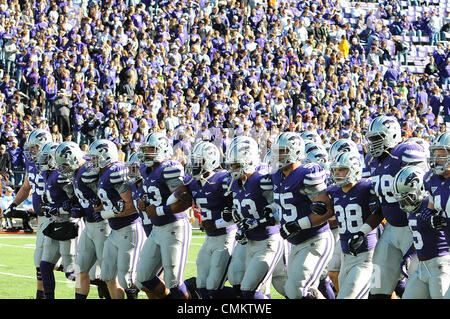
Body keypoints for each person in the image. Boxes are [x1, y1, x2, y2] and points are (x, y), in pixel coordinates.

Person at [364, 115, 427, 299]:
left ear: (391, 135)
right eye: (372, 139)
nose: (373, 143)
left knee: (418, 290)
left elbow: (422, 193)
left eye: (378, 138)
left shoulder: (406, 152)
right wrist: (363, 230)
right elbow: (380, 204)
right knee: (376, 288)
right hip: (390, 231)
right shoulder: (371, 161)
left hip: (413, 228)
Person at [306, 152, 384, 298]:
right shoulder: (334, 191)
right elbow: (320, 200)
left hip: (367, 255)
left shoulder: (368, 187)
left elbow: (379, 213)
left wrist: (362, 232)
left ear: (354, 169)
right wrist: (316, 205)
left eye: (342, 169)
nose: (337, 173)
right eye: (335, 170)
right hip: (346, 256)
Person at [270, 132, 334, 299]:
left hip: (316, 240)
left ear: (296, 152)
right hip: (296, 243)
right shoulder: (278, 176)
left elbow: (327, 210)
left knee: (297, 289)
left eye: (282, 151)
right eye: (276, 151)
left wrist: (298, 225)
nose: (277, 155)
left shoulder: (306, 173)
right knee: (299, 292)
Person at [135, 132, 194, 299]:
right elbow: (156, 196)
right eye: (145, 149)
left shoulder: (170, 168)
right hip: (157, 228)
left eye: (151, 149)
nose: (146, 153)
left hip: (174, 227)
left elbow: (185, 200)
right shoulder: (146, 170)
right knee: (143, 278)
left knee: (174, 281)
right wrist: (144, 203)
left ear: (162, 150)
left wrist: (159, 210)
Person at [84, 139, 145, 299]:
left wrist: (106, 214)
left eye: (95, 158)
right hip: (116, 231)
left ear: (106, 156)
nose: (92, 162)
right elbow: (111, 203)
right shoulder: (103, 173)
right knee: (107, 275)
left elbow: (132, 206)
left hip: (129, 229)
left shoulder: (116, 171)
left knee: (128, 279)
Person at [224, 136, 284, 299]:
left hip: (268, 240)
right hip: (248, 241)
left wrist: (260, 221)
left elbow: (280, 210)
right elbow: (242, 213)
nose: (232, 169)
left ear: (249, 161)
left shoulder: (262, 180)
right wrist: (235, 218)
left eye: (236, 165)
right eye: (231, 165)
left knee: (251, 289)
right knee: (240, 282)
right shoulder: (235, 183)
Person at [54, 141, 111, 299]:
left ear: (73, 158)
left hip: (102, 225)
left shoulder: (87, 171)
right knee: (81, 270)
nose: (62, 168)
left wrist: (84, 208)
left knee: (108, 274)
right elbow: (85, 199)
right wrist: (74, 203)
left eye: (64, 164)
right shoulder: (77, 174)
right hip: (90, 226)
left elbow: (102, 197)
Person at [2, 128, 52, 298]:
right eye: (29, 147)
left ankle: (96, 281)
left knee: (67, 263)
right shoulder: (31, 163)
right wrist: (14, 204)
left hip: (58, 217)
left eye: (34, 147)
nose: (31, 151)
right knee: (40, 259)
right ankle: (41, 294)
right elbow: (26, 186)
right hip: (43, 217)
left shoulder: (56, 162)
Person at [184, 141, 237, 299]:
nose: (194, 164)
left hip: (227, 235)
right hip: (209, 237)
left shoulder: (223, 179)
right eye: (194, 160)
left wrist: (216, 223)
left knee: (213, 286)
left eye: (198, 161)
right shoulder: (194, 182)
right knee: (201, 284)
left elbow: (237, 212)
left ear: (211, 160)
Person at [392, 165, 450, 299]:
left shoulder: (432, 204)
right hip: (422, 268)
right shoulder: (412, 209)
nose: (404, 201)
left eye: (408, 197)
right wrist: (408, 255)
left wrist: (434, 218)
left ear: (420, 189)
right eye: (402, 198)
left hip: (440, 265)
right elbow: (420, 238)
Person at [37, 142, 80, 299]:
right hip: (55, 222)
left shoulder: (61, 175)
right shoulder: (48, 174)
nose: (42, 161)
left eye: (46, 157)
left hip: (69, 223)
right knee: (45, 265)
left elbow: (76, 200)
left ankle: (101, 282)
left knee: (71, 272)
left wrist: (60, 208)